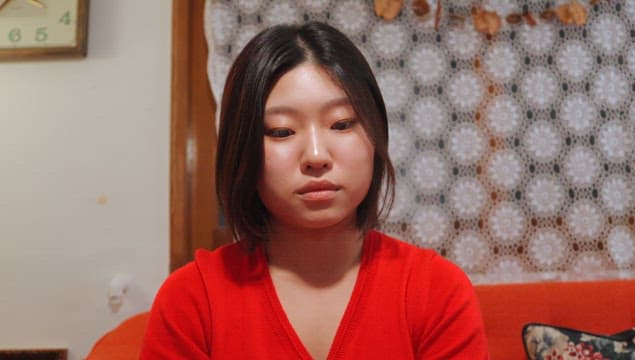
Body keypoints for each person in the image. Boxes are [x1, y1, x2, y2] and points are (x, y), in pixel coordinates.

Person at [141, 21, 488, 359]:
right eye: (281, 131)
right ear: (240, 147)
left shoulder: (436, 290)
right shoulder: (192, 298)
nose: (317, 156)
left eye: (341, 124)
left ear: (375, 135)